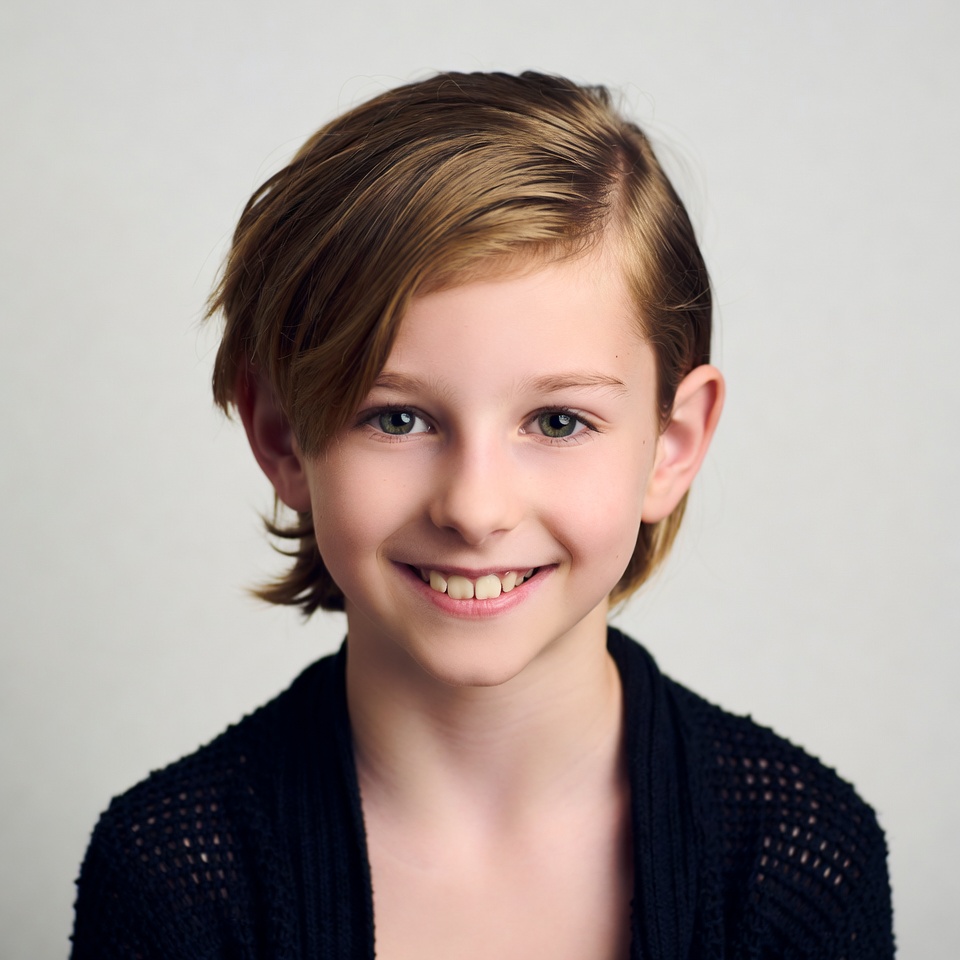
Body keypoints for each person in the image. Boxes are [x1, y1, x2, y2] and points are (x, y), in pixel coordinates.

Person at [71, 71, 894, 958]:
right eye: (397, 419)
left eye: (558, 422)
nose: (474, 508)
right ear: (282, 437)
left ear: (672, 444)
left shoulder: (794, 858)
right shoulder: (175, 877)